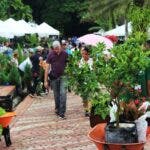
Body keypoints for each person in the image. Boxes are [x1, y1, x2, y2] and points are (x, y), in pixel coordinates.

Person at [44, 41, 68, 119]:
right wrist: (45, 80)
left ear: (60, 47)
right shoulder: (50, 54)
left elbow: (69, 64)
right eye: (55, 49)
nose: (57, 51)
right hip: (54, 77)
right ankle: (57, 108)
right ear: (53, 49)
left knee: (63, 94)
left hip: (63, 77)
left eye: (58, 49)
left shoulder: (65, 54)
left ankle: (62, 112)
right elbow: (47, 68)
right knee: (56, 95)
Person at [79, 47, 93, 117]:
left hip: (91, 82)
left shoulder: (92, 61)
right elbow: (79, 72)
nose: (84, 55)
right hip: (83, 82)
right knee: (84, 97)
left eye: (86, 54)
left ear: (88, 54)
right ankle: (86, 109)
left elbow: (94, 71)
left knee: (90, 96)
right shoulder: (81, 61)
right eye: (83, 54)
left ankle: (90, 110)